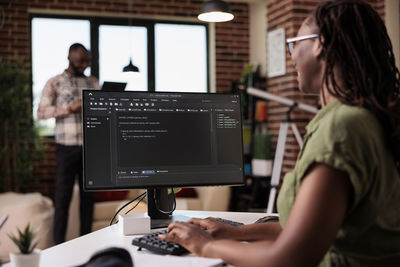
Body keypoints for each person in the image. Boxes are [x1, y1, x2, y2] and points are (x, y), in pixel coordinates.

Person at [160, 1, 400, 266]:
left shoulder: (342, 127)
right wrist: (235, 232)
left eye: (294, 42)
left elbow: (291, 256)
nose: (292, 54)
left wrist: (207, 247)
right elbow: (307, 231)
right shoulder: (368, 116)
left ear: (320, 43)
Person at [37, 43, 100, 244]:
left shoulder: (93, 82)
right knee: (63, 198)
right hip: (66, 148)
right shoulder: (54, 82)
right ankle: (58, 245)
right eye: (80, 61)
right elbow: (41, 112)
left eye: (86, 61)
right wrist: (69, 108)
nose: (84, 65)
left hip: (90, 149)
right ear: (69, 58)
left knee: (88, 200)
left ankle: (86, 244)